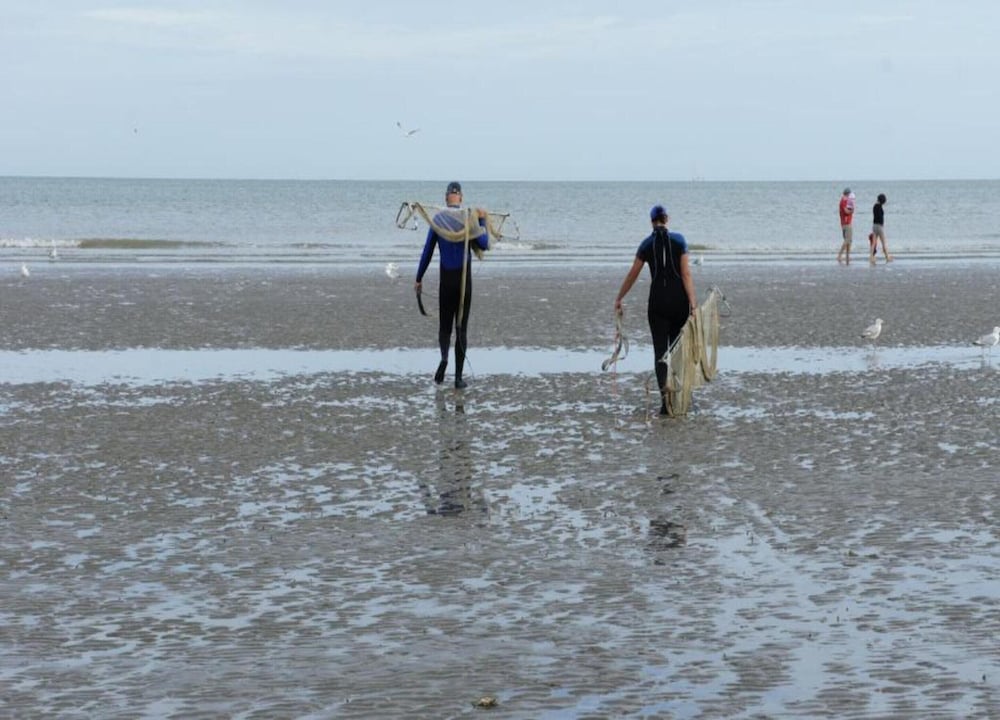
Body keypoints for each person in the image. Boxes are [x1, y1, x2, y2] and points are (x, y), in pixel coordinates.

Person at [614, 205, 698, 416]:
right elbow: (686, 274)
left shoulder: (646, 244)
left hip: (657, 303)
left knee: (660, 352)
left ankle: (664, 403)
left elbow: (633, 274)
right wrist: (693, 304)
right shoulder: (680, 240)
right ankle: (678, 397)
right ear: (666, 219)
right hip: (679, 302)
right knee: (677, 351)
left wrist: (619, 297)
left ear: (652, 221)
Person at [414, 181, 489, 389]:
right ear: (461, 198)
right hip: (464, 283)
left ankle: (444, 358)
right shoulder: (469, 218)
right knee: (461, 329)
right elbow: (484, 244)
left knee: (445, 327)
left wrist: (419, 278)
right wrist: (482, 220)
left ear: (446, 197)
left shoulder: (438, 219)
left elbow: (427, 251)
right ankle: (458, 378)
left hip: (446, 281)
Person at [836, 187, 855, 264]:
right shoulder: (843, 201)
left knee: (849, 240)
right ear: (848, 194)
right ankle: (840, 255)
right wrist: (852, 211)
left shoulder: (846, 201)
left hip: (846, 223)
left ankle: (847, 256)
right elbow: (846, 211)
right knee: (847, 240)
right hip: (846, 223)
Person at [871, 193, 891, 263]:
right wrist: (882, 225)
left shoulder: (874, 206)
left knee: (873, 243)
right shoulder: (879, 207)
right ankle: (887, 257)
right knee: (883, 243)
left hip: (874, 225)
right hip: (879, 226)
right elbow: (880, 217)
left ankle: (871, 257)